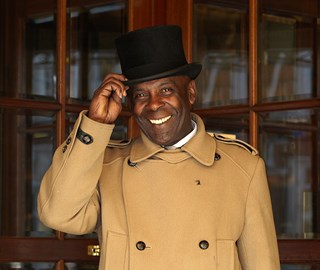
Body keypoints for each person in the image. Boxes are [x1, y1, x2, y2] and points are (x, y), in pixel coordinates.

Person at [37, 25, 280, 270]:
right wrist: (96, 124)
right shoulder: (107, 164)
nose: (154, 105)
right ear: (129, 103)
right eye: (141, 95)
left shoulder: (243, 167)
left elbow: (263, 263)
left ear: (191, 92)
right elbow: (57, 215)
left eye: (166, 90)